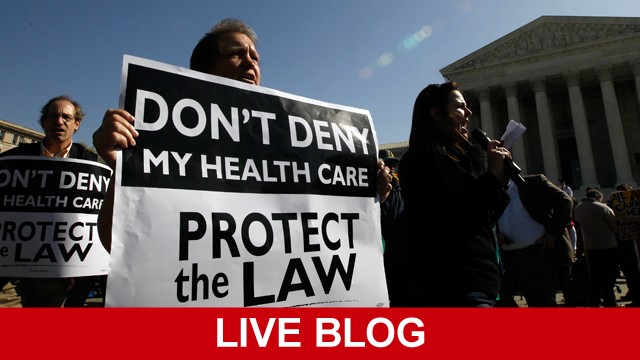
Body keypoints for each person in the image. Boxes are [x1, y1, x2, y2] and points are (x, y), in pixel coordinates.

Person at [93, 18, 395, 252]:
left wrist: (367, 198)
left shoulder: (292, 140)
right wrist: (122, 168)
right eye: (236, 54)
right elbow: (116, 244)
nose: (251, 61)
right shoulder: (162, 136)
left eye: (255, 57)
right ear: (203, 71)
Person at [397, 81, 511, 307]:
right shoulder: (422, 159)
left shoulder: (462, 158)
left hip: (481, 282)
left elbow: (486, 217)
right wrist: (492, 175)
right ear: (436, 113)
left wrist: (499, 178)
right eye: (460, 107)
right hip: (455, 284)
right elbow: (458, 214)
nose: (469, 112)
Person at [0, 95, 98, 307]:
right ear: (43, 122)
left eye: (66, 117)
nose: (59, 121)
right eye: (53, 116)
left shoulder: (92, 166)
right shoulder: (12, 161)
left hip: (59, 276)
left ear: (77, 124)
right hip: (10, 274)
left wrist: (76, 268)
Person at [496, 174, 574, 307]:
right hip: (508, 256)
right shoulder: (495, 191)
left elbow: (565, 201)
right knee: (499, 297)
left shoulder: (532, 182)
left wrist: (552, 233)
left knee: (541, 301)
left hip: (537, 253)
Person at [574, 189, 619, 307]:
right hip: (607, 245)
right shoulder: (603, 208)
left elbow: (578, 222)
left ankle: (595, 300)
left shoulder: (578, 208)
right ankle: (610, 301)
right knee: (609, 275)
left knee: (595, 276)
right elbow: (614, 226)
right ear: (598, 196)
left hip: (590, 246)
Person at [377, 150, 405, 306]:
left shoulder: (401, 189)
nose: (392, 168)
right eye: (388, 164)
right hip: (385, 255)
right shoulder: (377, 191)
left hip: (401, 254)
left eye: (394, 164)